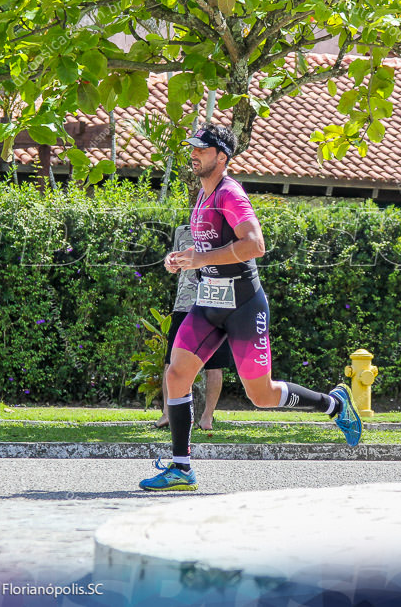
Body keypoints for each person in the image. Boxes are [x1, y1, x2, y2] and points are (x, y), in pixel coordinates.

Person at [138, 123, 362, 492]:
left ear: (221, 157)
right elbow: (207, 253)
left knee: (262, 395)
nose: (193, 154)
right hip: (208, 301)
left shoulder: (230, 194)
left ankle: (334, 404)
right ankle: (181, 467)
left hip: (243, 306)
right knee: (176, 374)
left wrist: (200, 257)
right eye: (192, 148)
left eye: (201, 149)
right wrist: (183, 260)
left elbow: (255, 245)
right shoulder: (202, 194)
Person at [155, 224, 231, 431]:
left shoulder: (225, 230)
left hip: (216, 303)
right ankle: (167, 413)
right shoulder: (182, 231)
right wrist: (170, 262)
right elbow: (175, 263)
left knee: (214, 366)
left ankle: (207, 417)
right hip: (184, 304)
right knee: (171, 362)